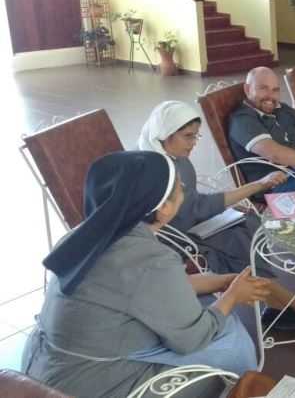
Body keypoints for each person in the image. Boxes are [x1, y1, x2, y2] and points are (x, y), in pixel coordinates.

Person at [22, 151, 271, 398]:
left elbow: (140, 288)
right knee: (228, 337)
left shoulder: (86, 234)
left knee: (204, 307)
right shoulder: (150, 258)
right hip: (90, 384)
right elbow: (193, 338)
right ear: (163, 208)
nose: (184, 188)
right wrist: (232, 297)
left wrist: (224, 282)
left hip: (44, 367)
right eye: (179, 187)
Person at [139, 101, 295, 329]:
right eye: (188, 136)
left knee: (246, 223)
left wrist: (254, 188)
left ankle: (276, 304)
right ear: (165, 133)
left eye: (196, 136)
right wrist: (257, 186)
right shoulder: (159, 170)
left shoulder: (176, 158)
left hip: (191, 222)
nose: (193, 143)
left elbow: (194, 203)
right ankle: (289, 302)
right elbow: (195, 207)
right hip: (171, 237)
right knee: (236, 240)